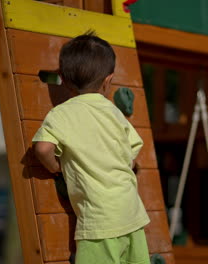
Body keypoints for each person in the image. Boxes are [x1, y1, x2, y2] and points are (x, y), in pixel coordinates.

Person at [32, 32, 151, 264]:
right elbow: (132, 158)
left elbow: (43, 148)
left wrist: (57, 167)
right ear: (108, 81)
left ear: (63, 81)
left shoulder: (60, 114)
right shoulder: (115, 113)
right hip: (132, 215)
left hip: (99, 223)